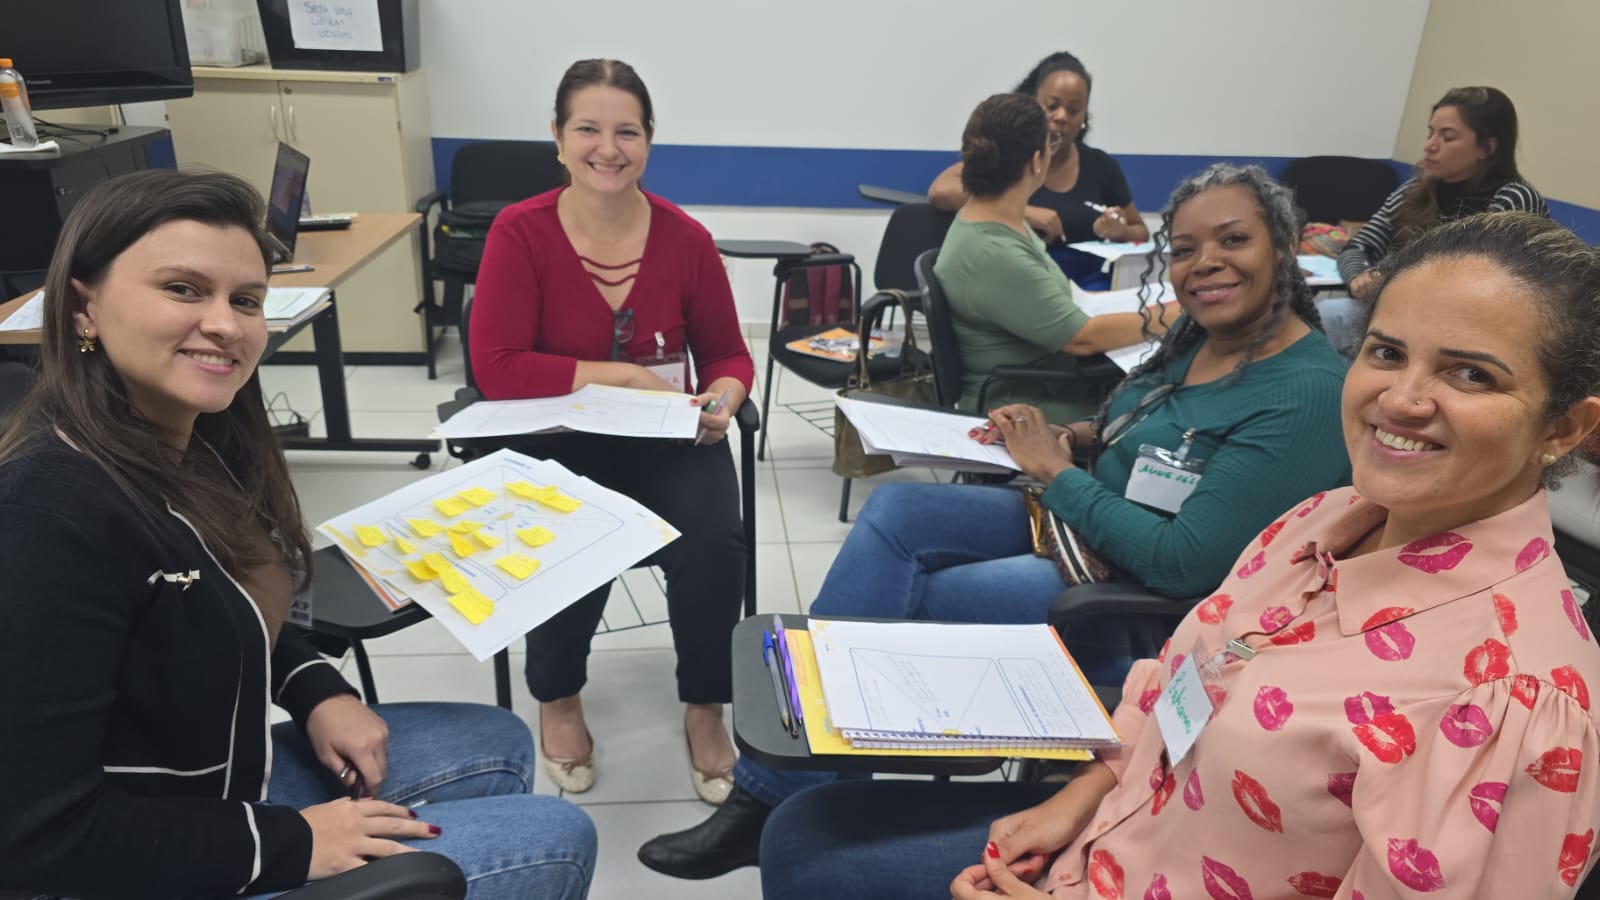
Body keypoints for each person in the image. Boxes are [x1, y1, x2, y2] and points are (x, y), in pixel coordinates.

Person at [758, 211, 1600, 900]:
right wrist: (1080, 797)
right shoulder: (1324, 519)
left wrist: (1057, 476)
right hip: (1115, 830)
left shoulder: (1510, 700)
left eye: (1471, 375)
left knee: (816, 847)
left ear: (1565, 426)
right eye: (1386, 353)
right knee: (802, 833)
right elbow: (1188, 674)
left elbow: (1177, 557)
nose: (1403, 399)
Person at [637, 163, 1352, 881]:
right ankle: (791, 790)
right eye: (1187, 249)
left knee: (923, 599)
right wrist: (1066, 436)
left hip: (1137, 596)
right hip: (1085, 525)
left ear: (1283, 244)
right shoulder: (1205, 340)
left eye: (1233, 240)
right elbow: (1137, 431)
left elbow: (1182, 564)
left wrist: (1055, 472)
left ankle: (786, 801)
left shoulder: (1305, 393)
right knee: (896, 510)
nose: (1205, 264)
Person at [0, 170, 596, 899]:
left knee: (495, 740)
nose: (226, 325)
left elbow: (217, 606)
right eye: (183, 289)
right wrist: (292, 844)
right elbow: (34, 839)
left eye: (245, 300)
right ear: (81, 307)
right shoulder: (43, 519)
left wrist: (314, 687)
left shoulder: (190, 438)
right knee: (556, 838)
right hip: (133, 860)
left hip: (209, 785)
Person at [469, 59, 753, 805]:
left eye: (627, 131)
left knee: (715, 539)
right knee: (569, 538)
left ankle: (705, 706)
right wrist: (621, 376)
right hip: (556, 441)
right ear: (558, 138)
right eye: (587, 129)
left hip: (665, 441)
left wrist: (722, 398)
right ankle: (558, 697)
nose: (608, 148)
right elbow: (497, 366)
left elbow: (728, 354)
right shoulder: (521, 231)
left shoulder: (686, 238)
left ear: (649, 140)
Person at [935, 92, 1179, 422]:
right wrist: (1182, 312)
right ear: (1036, 161)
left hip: (1045, 383)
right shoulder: (994, 252)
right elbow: (1082, 339)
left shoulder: (1003, 220)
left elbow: (1063, 301)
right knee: (1174, 404)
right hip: (1027, 404)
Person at [1323, 86, 1547, 354]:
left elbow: (1480, 281)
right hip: (1405, 308)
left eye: (1447, 137)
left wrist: (1390, 281)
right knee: (1330, 315)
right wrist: (1360, 277)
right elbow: (1358, 247)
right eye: (1430, 133)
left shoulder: (1513, 199)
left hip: (1471, 327)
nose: (1429, 146)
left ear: (1487, 148)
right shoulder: (1414, 190)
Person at [930, 51, 1150, 288]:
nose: (1062, 117)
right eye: (1052, 106)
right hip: (1026, 280)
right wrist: (1023, 212)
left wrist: (1119, 231)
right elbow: (941, 192)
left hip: (1091, 285)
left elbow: (1140, 231)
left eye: (1074, 109)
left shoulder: (1100, 165)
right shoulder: (1010, 156)